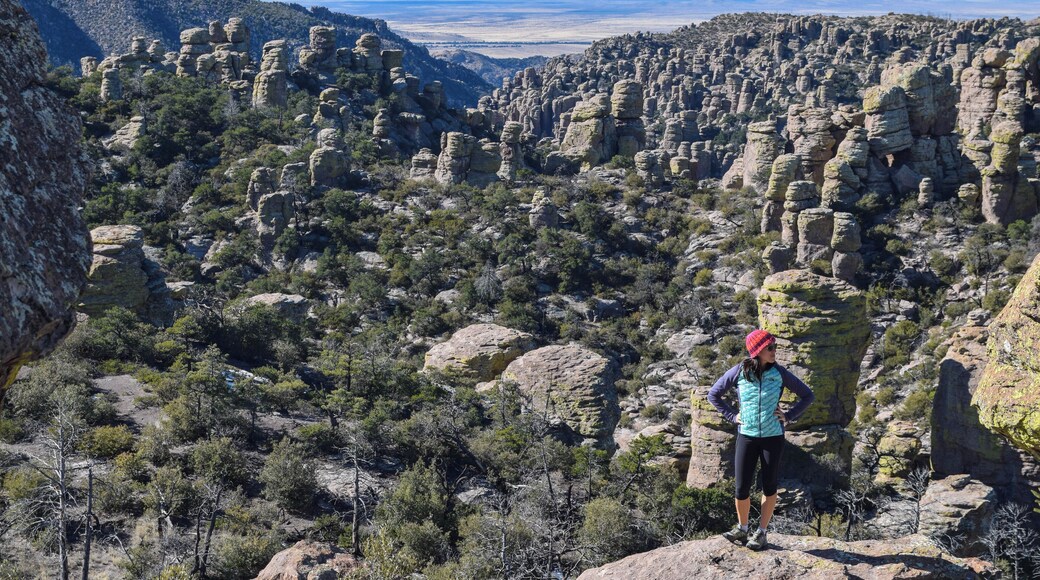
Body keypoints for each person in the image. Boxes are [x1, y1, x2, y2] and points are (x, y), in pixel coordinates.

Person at [706, 329, 815, 551]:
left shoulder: (780, 373)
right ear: (757, 351)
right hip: (747, 436)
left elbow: (808, 395)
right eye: (770, 347)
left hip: (773, 437)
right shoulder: (739, 372)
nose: (775, 351)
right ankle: (742, 528)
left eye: (775, 346)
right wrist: (731, 416)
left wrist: (789, 416)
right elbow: (713, 394)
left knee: (769, 486)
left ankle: (762, 532)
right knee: (741, 487)